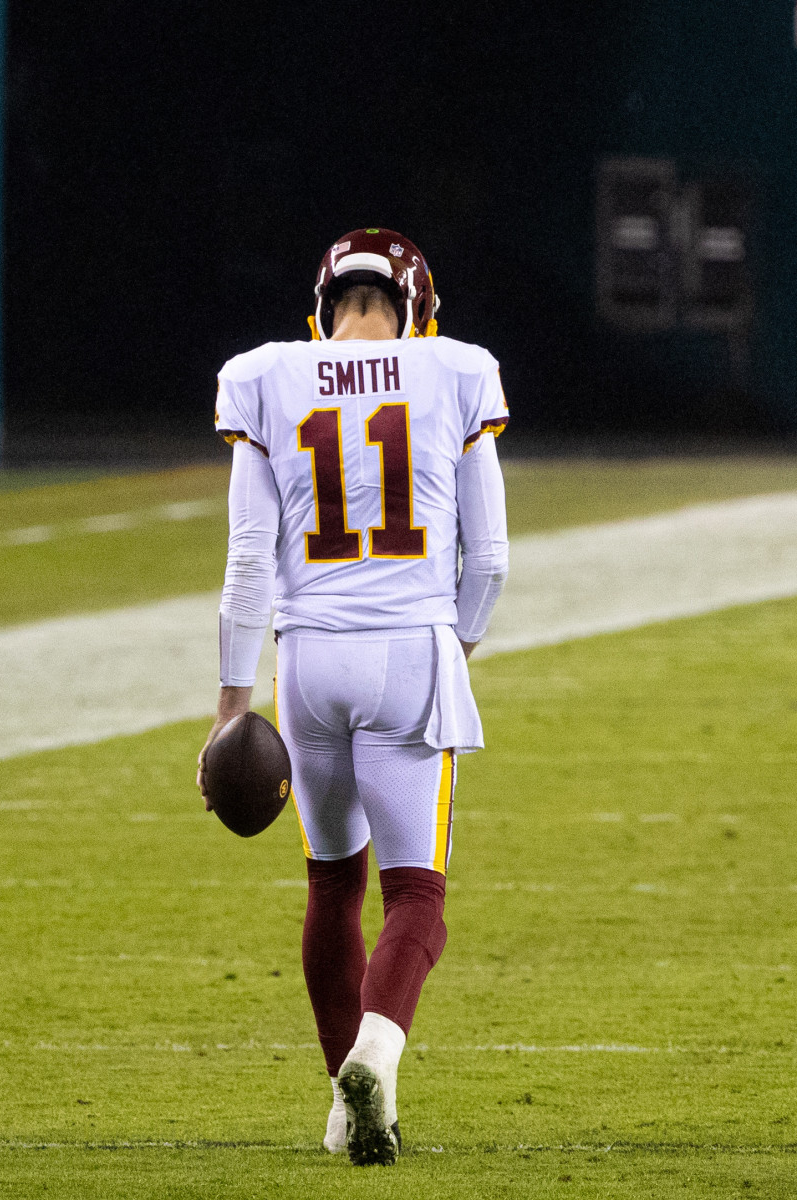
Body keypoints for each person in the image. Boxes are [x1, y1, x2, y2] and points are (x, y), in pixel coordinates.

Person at [197, 228, 509, 1166]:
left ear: (325, 304)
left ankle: (344, 1113)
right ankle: (375, 1054)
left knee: (332, 885)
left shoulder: (264, 374)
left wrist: (228, 709)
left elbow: (247, 561)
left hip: (308, 663)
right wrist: (450, 645)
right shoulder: (455, 370)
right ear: (412, 306)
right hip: (408, 645)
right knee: (415, 894)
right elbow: (488, 560)